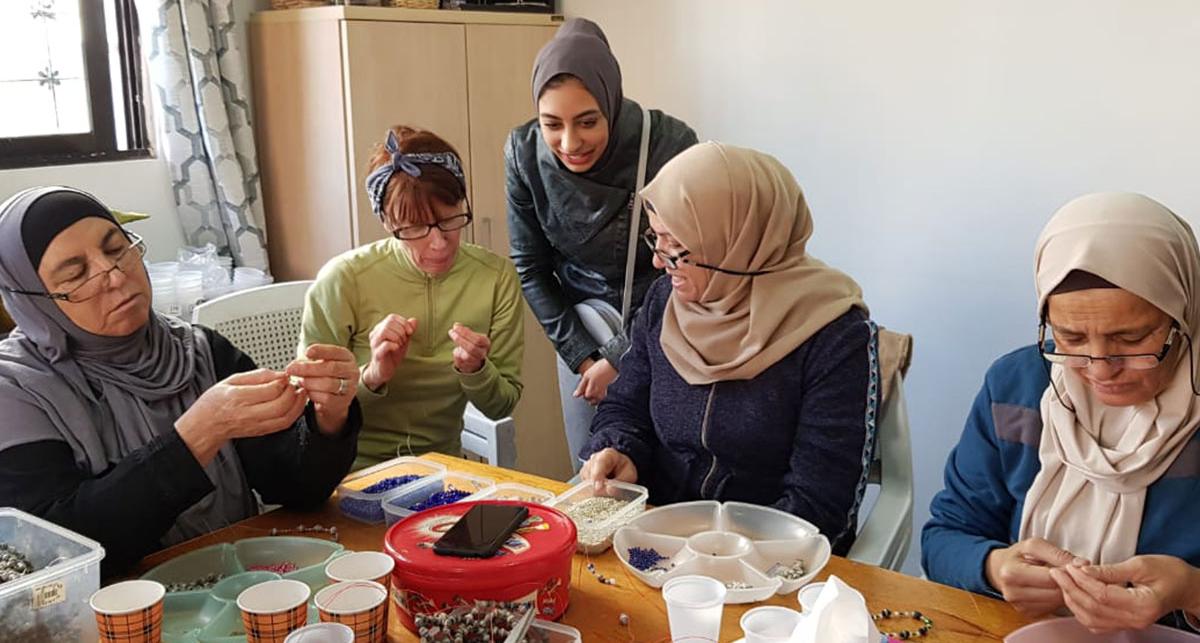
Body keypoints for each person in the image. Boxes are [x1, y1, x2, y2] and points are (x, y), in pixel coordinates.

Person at [0, 187, 362, 575]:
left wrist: (328, 418)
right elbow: (57, 552)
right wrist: (197, 435)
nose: (115, 276)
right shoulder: (16, 390)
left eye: (116, 248)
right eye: (76, 274)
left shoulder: (198, 349)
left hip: (239, 583)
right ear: (33, 299)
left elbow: (295, 490)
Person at [579, 142, 879, 554]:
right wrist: (619, 449)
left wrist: (713, 551)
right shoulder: (665, 301)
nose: (659, 263)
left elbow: (821, 502)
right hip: (656, 534)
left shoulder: (833, 334)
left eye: (677, 247)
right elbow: (625, 406)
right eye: (657, 240)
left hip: (771, 559)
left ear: (736, 244)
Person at [922, 193, 1200, 633]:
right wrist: (994, 567)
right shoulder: (1016, 388)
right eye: (1069, 337)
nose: (1100, 368)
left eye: (1131, 339)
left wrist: (1191, 591)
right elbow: (945, 536)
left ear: (1183, 313)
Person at [505, 18, 699, 473]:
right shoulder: (522, 151)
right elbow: (530, 267)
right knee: (596, 464)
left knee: (658, 463)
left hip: (660, 326)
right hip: (578, 330)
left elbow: (686, 263)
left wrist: (620, 356)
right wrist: (583, 355)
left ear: (610, 102)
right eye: (551, 124)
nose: (569, 143)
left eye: (587, 122)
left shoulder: (667, 143)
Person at [302, 126, 523, 469]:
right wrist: (373, 375)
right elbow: (311, 415)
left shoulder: (495, 278)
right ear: (388, 223)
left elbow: (501, 405)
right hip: (346, 472)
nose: (438, 243)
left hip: (442, 472)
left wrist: (476, 369)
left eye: (450, 219)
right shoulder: (343, 280)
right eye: (415, 228)